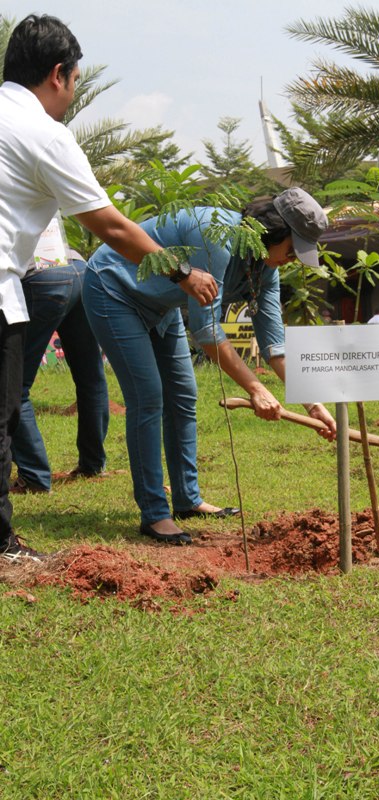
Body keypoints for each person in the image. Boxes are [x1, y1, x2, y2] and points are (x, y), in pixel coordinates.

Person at [0, 15, 218, 562]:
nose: (72, 94)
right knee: (3, 414)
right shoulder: (44, 135)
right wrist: (184, 273)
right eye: (75, 81)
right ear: (58, 74)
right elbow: (114, 228)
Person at [83, 188, 337, 542]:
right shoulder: (215, 235)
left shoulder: (265, 268)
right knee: (148, 396)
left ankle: (187, 499)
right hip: (114, 288)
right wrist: (255, 388)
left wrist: (313, 403)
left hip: (162, 305)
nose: (292, 260)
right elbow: (207, 331)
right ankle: (154, 513)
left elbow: (275, 346)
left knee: (183, 395)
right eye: (293, 250)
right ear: (274, 231)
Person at [10, 238, 109, 494]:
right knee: (90, 376)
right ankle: (93, 464)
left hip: (41, 276)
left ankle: (34, 477)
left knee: (13, 387)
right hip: (79, 268)